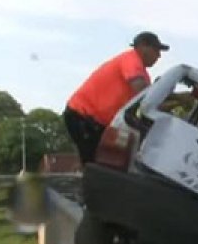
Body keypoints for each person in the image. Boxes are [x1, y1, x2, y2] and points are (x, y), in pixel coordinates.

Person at [63, 31, 169, 165]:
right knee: (95, 164)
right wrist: (167, 93)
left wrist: (178, 101)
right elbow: (144, 94)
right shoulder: (131, 60)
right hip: (82, 116)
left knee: (101, 163)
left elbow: (150, 103)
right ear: (143, 46)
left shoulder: (142, 74)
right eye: (156, 50)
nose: (159, 56)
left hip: (95, 122)